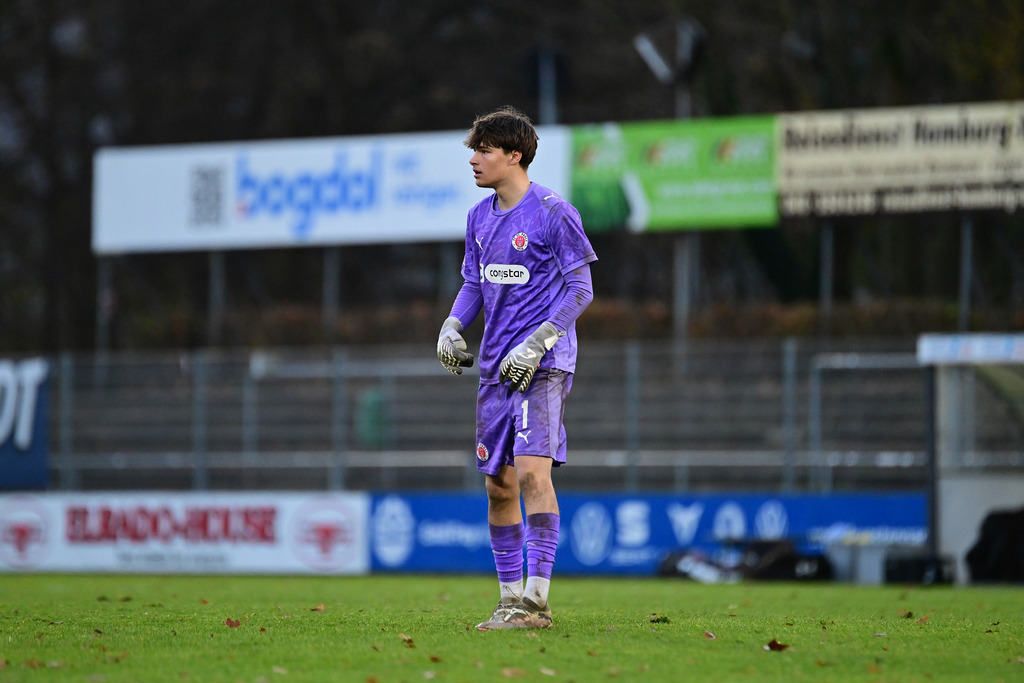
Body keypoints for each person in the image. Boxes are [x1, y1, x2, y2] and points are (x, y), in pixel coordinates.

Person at [436, 106, 597, 630]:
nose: (474, 161)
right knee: (499, 486)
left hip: (542, 366)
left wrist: (540, 343)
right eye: (473, 151)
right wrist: (452, 326)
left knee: (531, 473)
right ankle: (508, 600)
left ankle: (536, 603)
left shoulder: (553, 211)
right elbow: (474, 284)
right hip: (493, 371)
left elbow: (581, 289)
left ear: (514, 155)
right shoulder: (479, 217)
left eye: (484, 151)